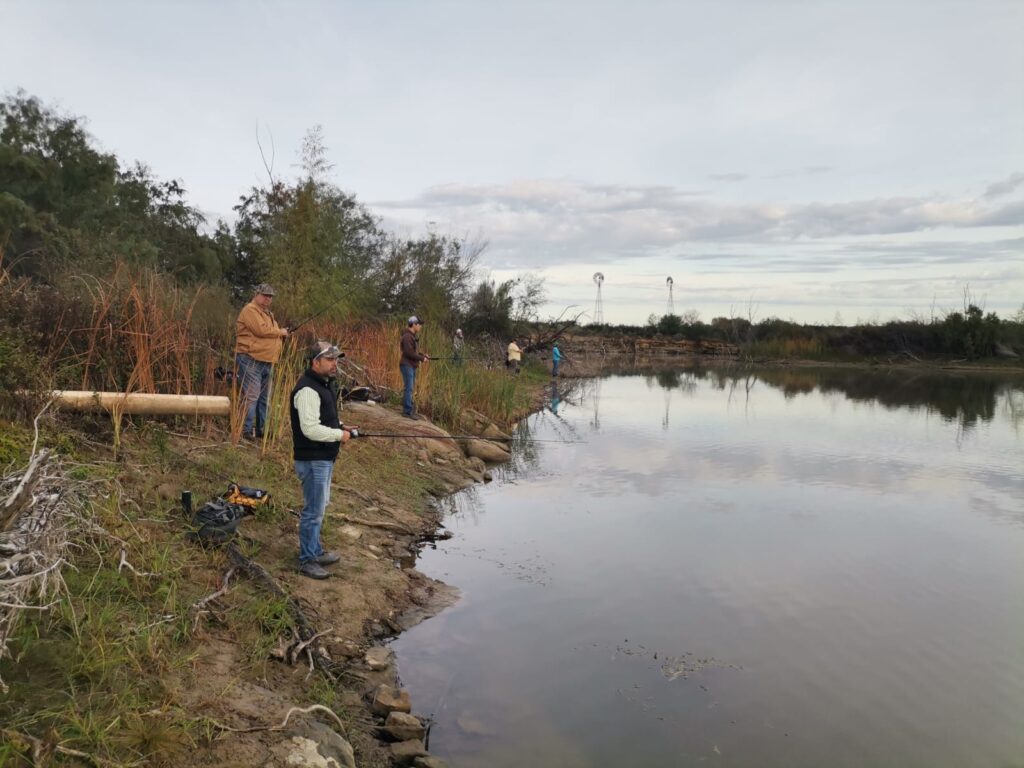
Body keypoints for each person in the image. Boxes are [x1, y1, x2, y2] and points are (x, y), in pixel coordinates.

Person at [290, 341, 356, 579]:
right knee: (313, 511)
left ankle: (315, 550)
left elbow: (324, 418)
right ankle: (307, 559)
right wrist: (340, 435)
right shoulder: (307, 389)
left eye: (336, 360)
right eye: (329, 360)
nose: (334, 364)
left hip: (324, 458)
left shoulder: (324, 385)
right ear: (315, 362)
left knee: (319, 507)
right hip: (312, 459)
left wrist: (341, 426)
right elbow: (309, 429)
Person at [235, 283, 288, 439]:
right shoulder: (250, 310)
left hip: (267, 361)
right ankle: (245, 429)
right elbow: (261, 330)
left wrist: (281, 334)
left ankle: (261, 429)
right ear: (256, 294)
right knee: (252, 396)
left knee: (265, 397)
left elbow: (271, 333)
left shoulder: (267, 314)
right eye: (265, 295)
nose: (268, 299)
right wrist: (280, 332)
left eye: (270, 296)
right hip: (251, 359)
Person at [400, 316, 429, 418]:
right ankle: (407, 412)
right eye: (419, 324)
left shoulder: (411, 336)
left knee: (409, 388)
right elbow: (408, 353)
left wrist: (423, 355)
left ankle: (408, 410)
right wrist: (421, 359)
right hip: (407, 365)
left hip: (410, 365)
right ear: (414, 324)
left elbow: (413, 352)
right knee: (409, 388)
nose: (420, 326)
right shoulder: (408, 336)